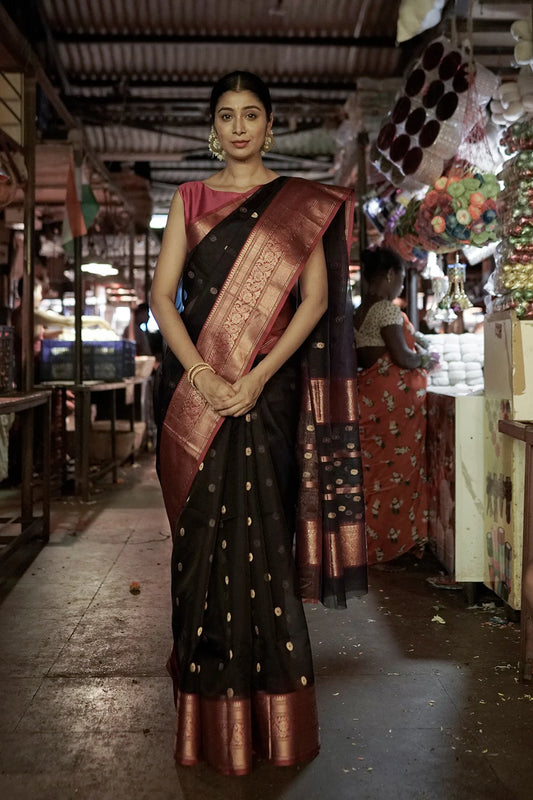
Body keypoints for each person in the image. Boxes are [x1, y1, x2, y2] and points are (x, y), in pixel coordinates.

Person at [150, 71, 367, 776]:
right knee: (201, 545)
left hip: (266, 397)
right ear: (212, 128)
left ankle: (273, 720)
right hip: (203, 391)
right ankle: (207, 713)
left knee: (263, 541)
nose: (238, 126)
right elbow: (162, 299)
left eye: (251, 115)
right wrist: (206, 376)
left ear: (270, 126)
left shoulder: (300, 205)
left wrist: (255, 377)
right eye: (226, 115)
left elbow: (314, 302)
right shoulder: (190, 198)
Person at [354, 247, 437, 566]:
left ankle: (370, 544)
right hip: (395, 410)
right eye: (401, 280)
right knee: (398, 474)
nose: (401, 287)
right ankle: (395, 546)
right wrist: (426, 359)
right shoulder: (387, 309)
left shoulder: (361, 311)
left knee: (374, 474)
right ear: (389, 275)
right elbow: (403, 357)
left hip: (371, 399)